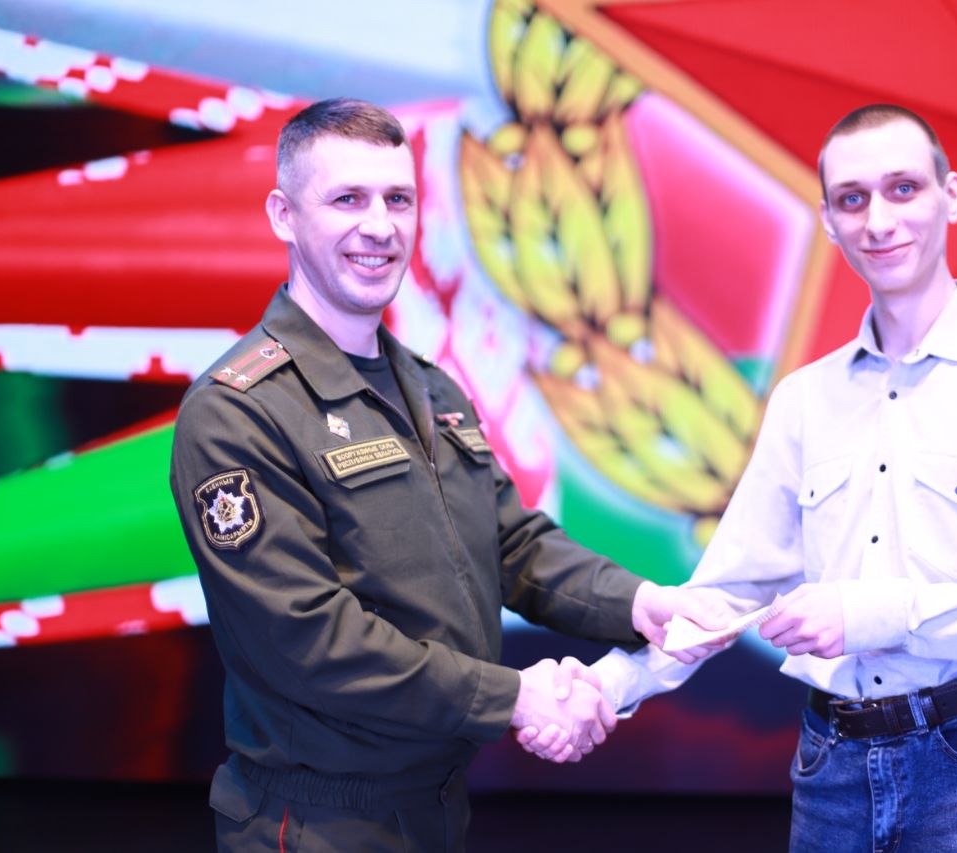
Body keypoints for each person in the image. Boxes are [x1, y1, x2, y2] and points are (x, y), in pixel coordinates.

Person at [524, 104, 957, 851]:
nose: (879, 220)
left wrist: (879, 613)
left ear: (952, 196)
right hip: (830, 769)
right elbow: (730, 593)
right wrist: (607, 684)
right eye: (852, 198)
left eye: (903, 188)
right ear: (830, 222)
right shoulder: (803, 399)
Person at [169, 97, 724, 852]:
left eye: (398, 199)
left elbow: (511, 544)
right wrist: (516, 697)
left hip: (436, 807)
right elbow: (309, 641)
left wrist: (639, 602)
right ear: (283, 215)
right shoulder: (239, 411)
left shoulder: (432, 389)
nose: (380, 226)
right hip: (316, 822)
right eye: (347, 199)